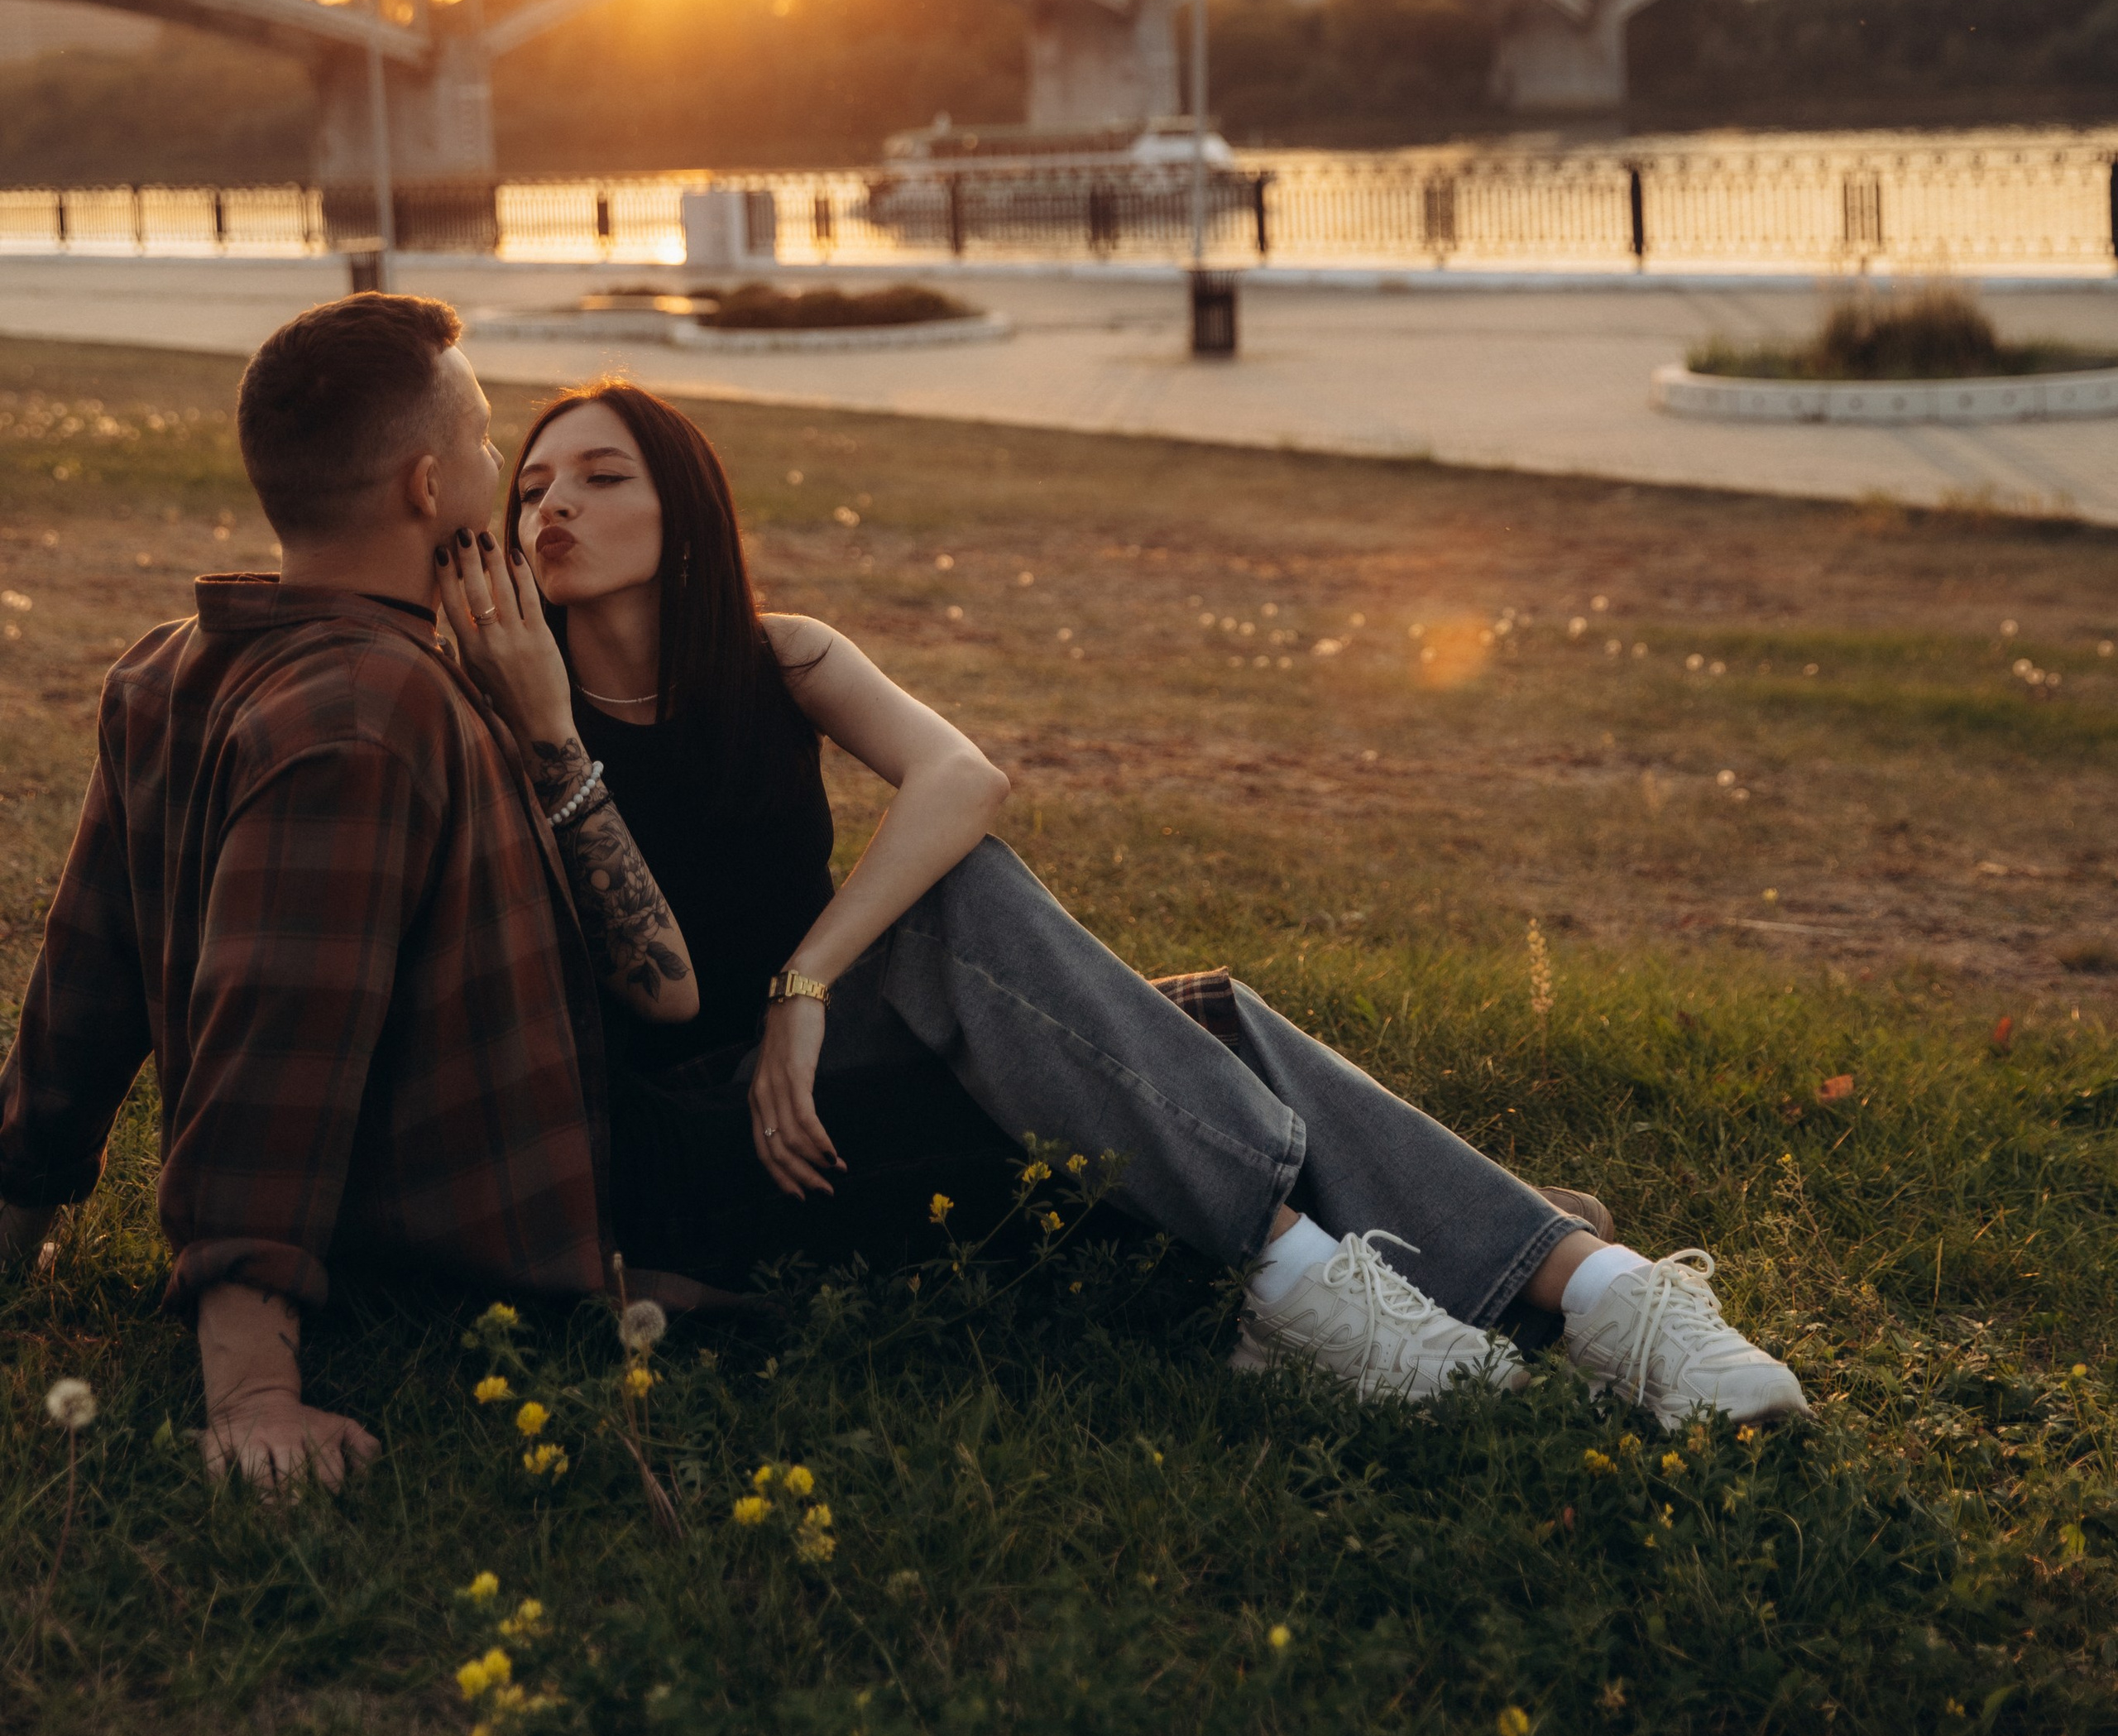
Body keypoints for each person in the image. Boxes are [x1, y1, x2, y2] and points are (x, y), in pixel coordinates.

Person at [486, 377, 1809, 1429]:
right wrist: (551, 725)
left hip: (839, 1074)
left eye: (606, 478)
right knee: (1001, 936)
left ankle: (1599, 1296)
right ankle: (1375, 1281)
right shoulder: (511, 720)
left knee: (1181, 1014)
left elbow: (963, 780)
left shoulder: (781, 656)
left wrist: (804, 985)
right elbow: (658, 989)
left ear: (687, 513)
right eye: (533, 485)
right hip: (711, 1145)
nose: (557, 505)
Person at [0, 295, 699, 1492]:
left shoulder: (167, 666)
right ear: (428, 487)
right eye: (486, 444)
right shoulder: (375, 712)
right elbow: (278, 1038)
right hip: (508, 1236)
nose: (501, 470)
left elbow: (85, 979)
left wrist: (13, 1218)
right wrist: (256, 1391)